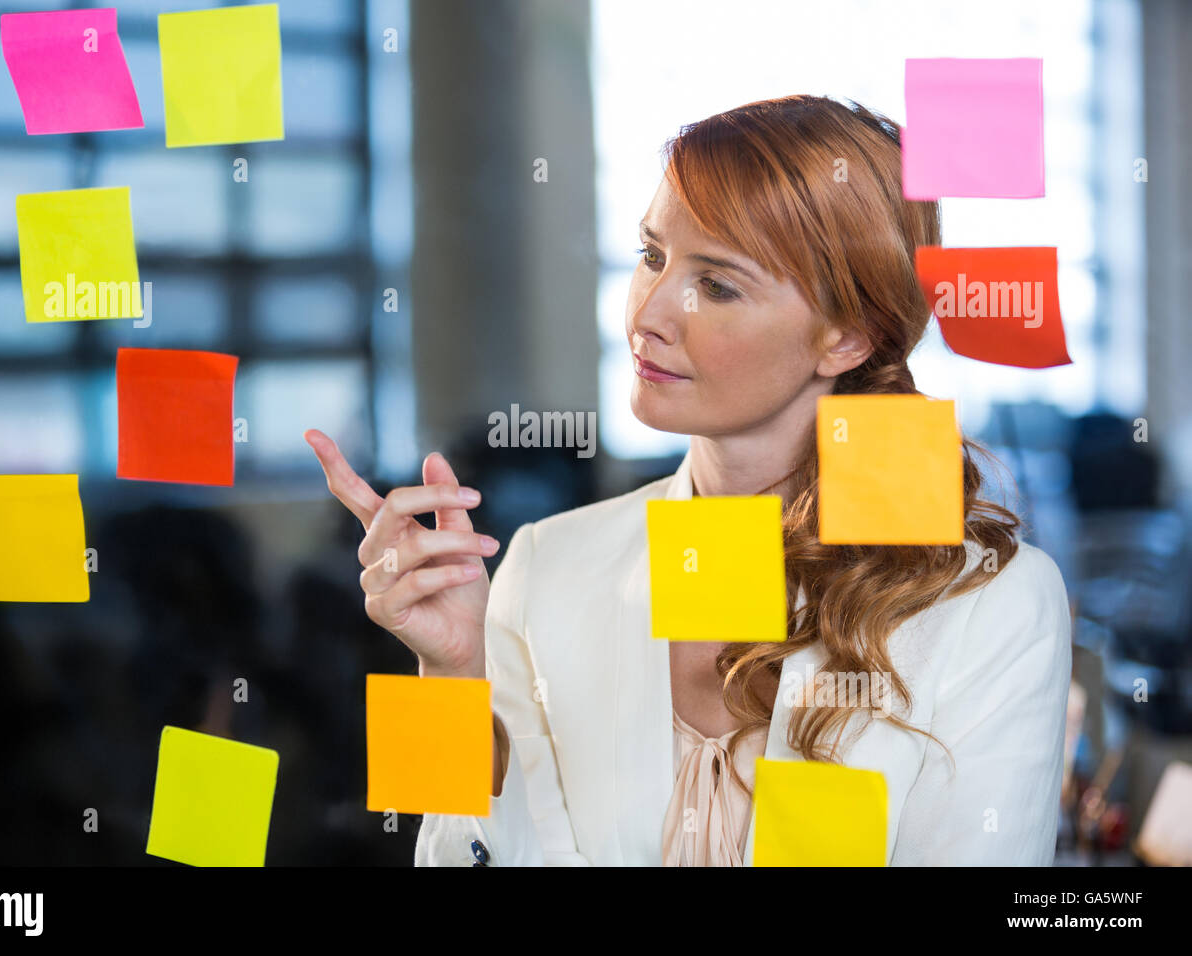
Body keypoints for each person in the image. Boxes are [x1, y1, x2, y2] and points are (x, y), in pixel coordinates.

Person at [305, 95, 1072, 867]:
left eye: (719, 284)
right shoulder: (546, 565)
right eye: (651, 256)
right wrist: (448, 672)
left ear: (847, 338)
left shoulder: (991, 606)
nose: (649, 312)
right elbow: (451, 856)